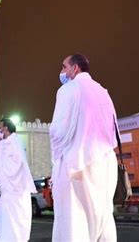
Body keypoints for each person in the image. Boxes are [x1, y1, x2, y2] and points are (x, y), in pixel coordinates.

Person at [50, 54, 118, 242]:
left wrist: (56, 161)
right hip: (105, 161)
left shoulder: (68, 89)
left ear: (75, 68)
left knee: (74, 220)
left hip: (77, 163)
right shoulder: (103, 91)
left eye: (64, 67)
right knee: (103, 218)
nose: (62, 71)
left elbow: (57, 131)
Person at [0, 118, 36, 242]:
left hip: (15, 188)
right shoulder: (6, 143)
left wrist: (2, 170)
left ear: (5, 128)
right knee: (5, 217)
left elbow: (18, 162)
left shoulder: (14, 142)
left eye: (0, 127)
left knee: (14, 217)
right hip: (7, 188)